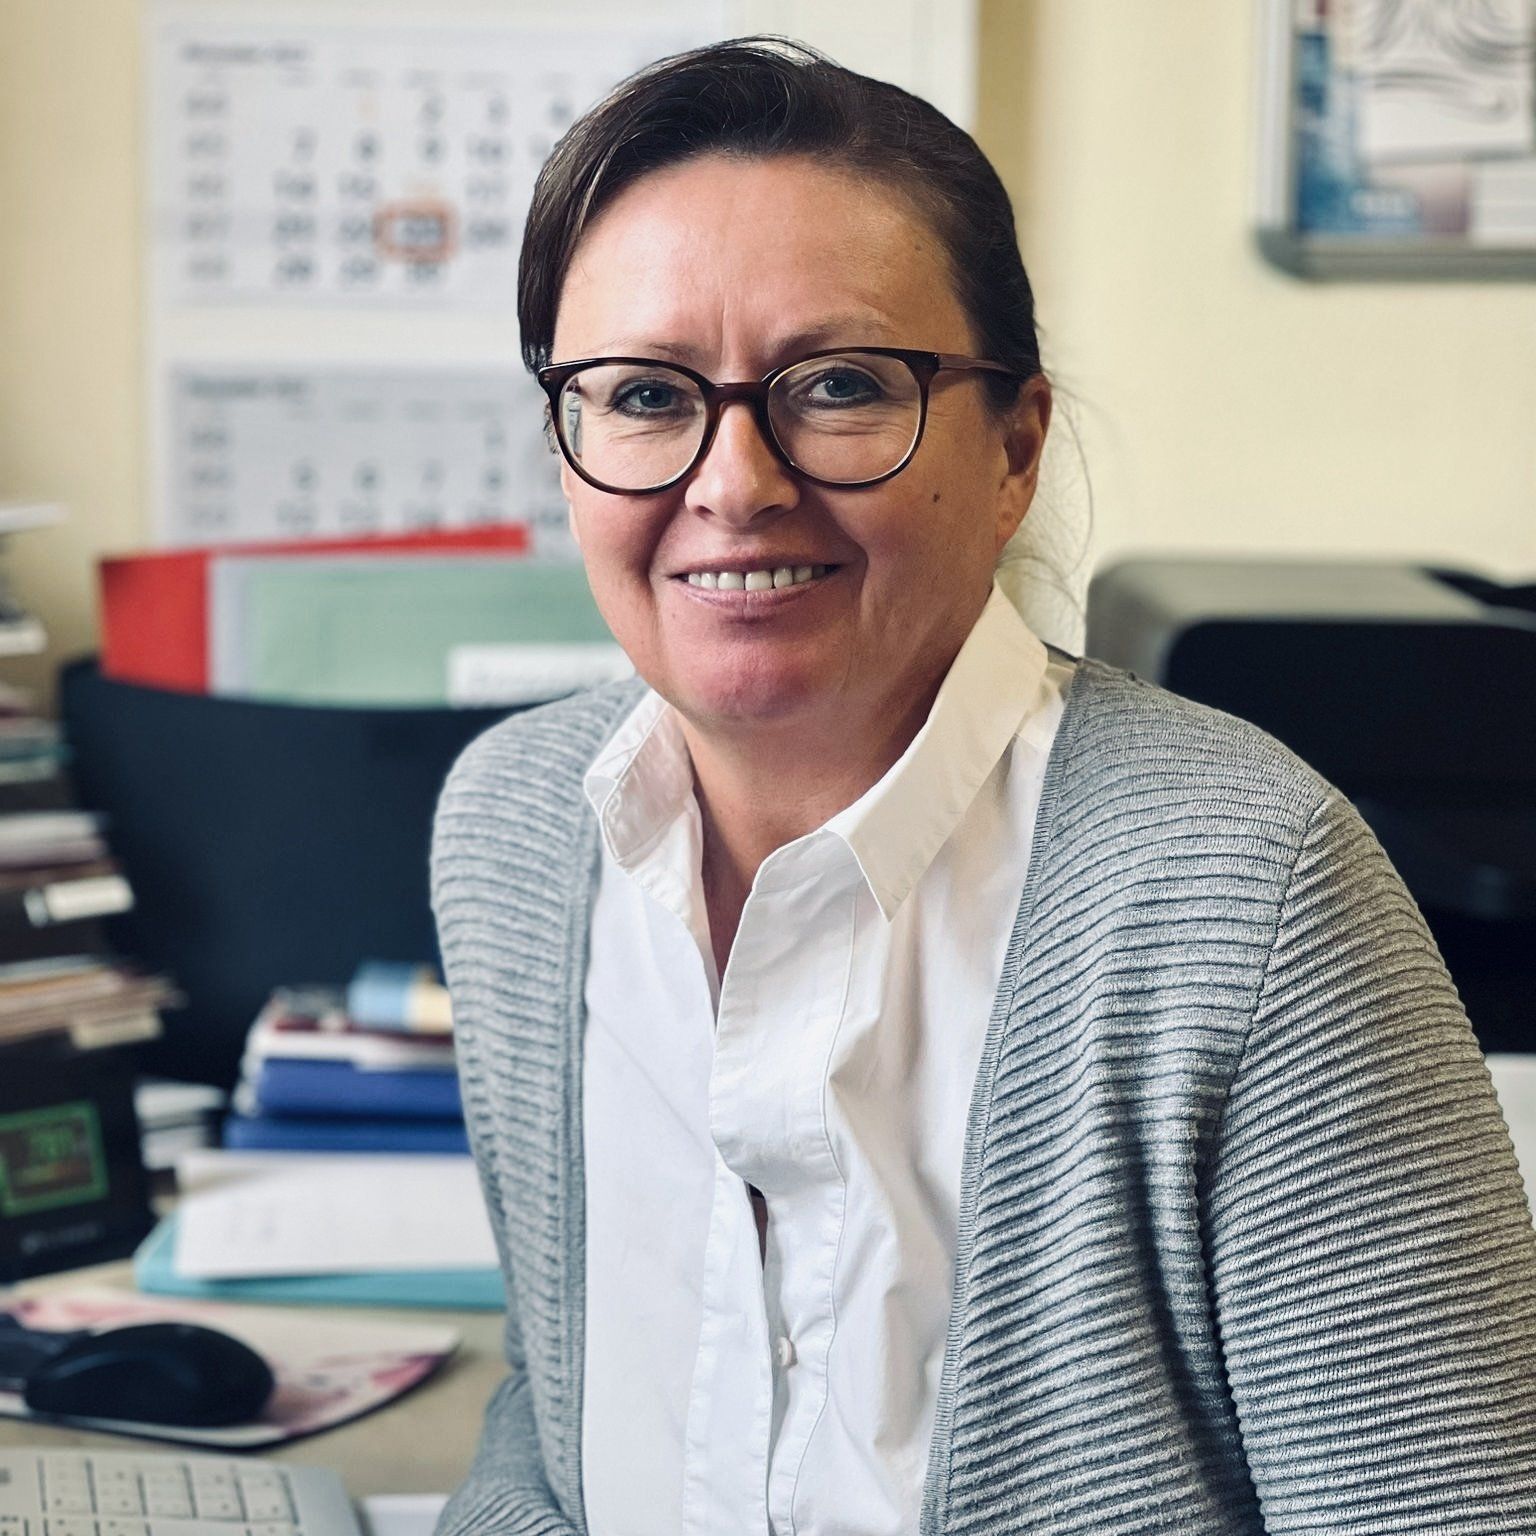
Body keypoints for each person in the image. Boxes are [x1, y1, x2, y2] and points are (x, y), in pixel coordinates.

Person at [430, 38, 1536, 1536]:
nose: (734, 483)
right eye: (642, 394)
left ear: (1016, 448)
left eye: (838, 386)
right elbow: (556, 1410)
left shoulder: (1253, 899)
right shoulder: (511, 830)